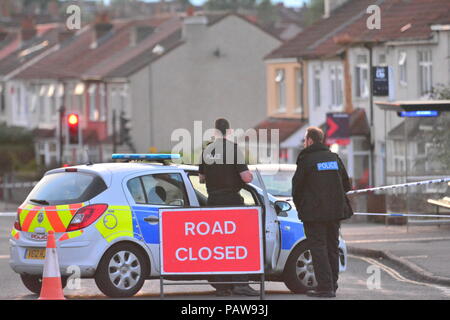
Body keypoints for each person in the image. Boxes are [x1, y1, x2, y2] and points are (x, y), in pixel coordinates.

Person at [199, 118, 259, 297]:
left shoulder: (207, 150)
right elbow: (246, 178)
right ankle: (240, 284)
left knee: (218, 245)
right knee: (237, 244)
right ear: (229, 131)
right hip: (232, 204)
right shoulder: (233, 149)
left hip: (213, 203)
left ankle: (222, 286)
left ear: (215, 132)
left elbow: (201, 178)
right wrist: (248, 176)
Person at [291, 126, 353, 298]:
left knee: (318, 249)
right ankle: (332, 284)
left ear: (310, 140)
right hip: (335, 212)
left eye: (305, 140)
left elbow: (297, 189)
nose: (304, 143)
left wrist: (302, 207)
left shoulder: (306, 160)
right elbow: (346, 185)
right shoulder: (334, 158)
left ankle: (325, 288)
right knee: (332, 247)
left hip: (314, 214)